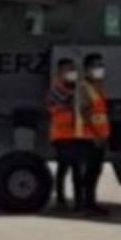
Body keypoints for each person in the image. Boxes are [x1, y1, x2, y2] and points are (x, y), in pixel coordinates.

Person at [48, 58, 83, 211]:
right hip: (62, 134)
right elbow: (64, 101)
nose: (72, 72)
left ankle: (79, 200)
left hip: (76, 134)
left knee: (77, 169)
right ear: (60, 72)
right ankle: (60, 199)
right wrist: (76, 93)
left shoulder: (77, 88)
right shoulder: (56, 89)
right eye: (68, 69)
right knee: (64, 168)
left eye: (73, 69)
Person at [79, 53, 112, 216]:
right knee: (90, 171)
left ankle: (90, 202)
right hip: (89, 137)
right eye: (96, 66)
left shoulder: (97, 87)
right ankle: (87, 203)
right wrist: (95, 135)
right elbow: (84, 113)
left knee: (95, 170)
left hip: (100, 135)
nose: (99, 69)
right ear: (86, 69)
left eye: (101, 66)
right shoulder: (84, 88)